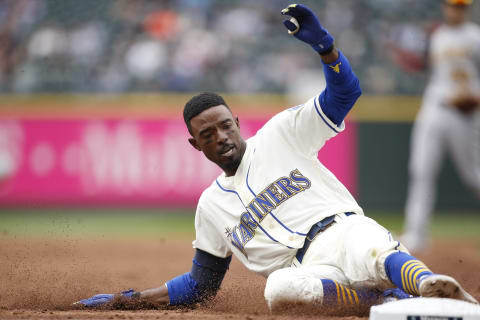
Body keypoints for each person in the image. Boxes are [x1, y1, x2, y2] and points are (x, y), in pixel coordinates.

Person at [75, 4, 478, 313]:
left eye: (224, 126)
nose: (221, 138)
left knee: (372, 250)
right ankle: (383, 301)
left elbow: (344, 96)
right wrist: (127, 300)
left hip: (343, 230)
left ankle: (428, 284)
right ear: (195, 145)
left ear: (236, 122)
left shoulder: (281, 133)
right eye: (207, 135)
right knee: (278, 291)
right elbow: (202, 285)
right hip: (309, 272)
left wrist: (326, 48)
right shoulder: (211, 206)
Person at [401, 0, 480, 252]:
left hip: (464, 113)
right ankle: (416, 233)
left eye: (460, 6)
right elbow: (428, 70)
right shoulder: (436, 36)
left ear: (465, 9)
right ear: (445, 7)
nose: (454, 10)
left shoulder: (475, 37)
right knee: (421, 169)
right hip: (434, 106)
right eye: (451, 5)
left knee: (473, 175)